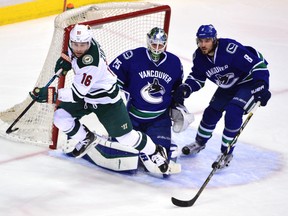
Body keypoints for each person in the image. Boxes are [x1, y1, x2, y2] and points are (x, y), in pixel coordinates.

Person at [29, 24, 169, 173]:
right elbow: (73, 54)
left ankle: (155, 151)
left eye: (82, 45)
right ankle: (86, 138)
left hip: (106, 102)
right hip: (87, 96)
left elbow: (76, 95)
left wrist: (50, 94)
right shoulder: (82, 43)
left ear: (89, 43)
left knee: (126, 138)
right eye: (75, 44)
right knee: (60, 117)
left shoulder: (91, 63)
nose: (78, 48)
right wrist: (67, 59)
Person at [173, 24, 271, 169]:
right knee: (211, 112)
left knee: (233, 111)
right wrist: (186, 88)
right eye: (200, 41)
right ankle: (199, 143)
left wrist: (262, 85)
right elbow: (198, 78)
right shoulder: (199, 57)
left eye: (207, 40)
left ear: (214, 39)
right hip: (229, 86)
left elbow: (257, 65)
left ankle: (226, 153)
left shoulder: (229, 49)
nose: (203, 44)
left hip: (248, 82)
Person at [109, 27, 186, 171]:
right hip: (130, 118)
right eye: (154, 44)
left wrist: (178, 104)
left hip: (159, 119)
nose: (157, 48)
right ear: (148, 41)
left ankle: (164, 144)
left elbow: (177, 90)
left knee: (160, 159)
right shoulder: (131, 57)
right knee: (124, 154)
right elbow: (110, 78)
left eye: (160, 45)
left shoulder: (175, 63)